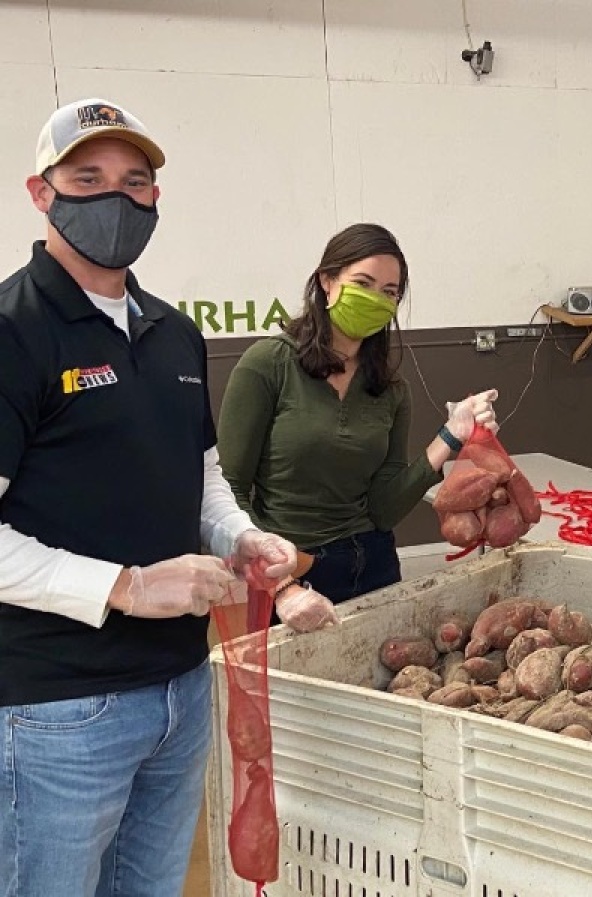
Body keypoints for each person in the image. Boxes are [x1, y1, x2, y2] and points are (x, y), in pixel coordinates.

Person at [0, 98, 300, 896]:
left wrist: (238, 534)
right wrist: (126, 586)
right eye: (87, 177)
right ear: (42, 191)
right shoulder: (12, 330)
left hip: (179, 688)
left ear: (156, 201)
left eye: (136, 182)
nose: (117, 197)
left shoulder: (172, 332)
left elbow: (198, 471)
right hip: (59, 708)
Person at [217, 223, 499, 622]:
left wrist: (452, 435)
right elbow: (229, 490)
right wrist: (280, 583)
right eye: (363, 283)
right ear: (327, 281)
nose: (376, 300)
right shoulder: (268, 365)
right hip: (294, 568)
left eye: (389, 293)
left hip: (376, 563)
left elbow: (384, 508)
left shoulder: (389, 388)